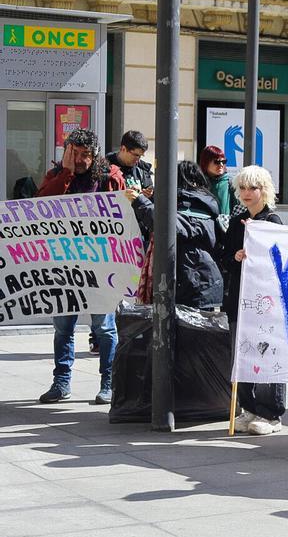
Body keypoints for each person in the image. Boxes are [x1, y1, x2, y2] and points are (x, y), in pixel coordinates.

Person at [36, 129, 125, 405]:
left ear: (94, 154)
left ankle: (108, 382)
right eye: (75, 153)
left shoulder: (110, 176)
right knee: (63, 327)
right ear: (66, 152)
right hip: (63, 266)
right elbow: (39, 204)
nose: (81, 160)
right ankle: (61, 382)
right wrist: (65, 173)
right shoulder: (57, 176)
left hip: (101, 266)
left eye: (86, 155)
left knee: (105, 328)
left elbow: (122, 216)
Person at [220, 165, 287, 435]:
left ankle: (271, 413)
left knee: (269, 355)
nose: (247, 193)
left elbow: (280, 262)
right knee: (244, 353)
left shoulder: (273, 222)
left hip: (267, 302)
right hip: (241, 297)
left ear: (264, 190)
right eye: (243, 188)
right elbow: (223, 256)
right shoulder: (238, 223)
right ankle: (249, 407)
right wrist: (236, 256)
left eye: (253, 188)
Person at [131, 161, 225, 309]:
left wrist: (140, 201)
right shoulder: (206, 204)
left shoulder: (193, 205)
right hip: (201, 282)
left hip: (192, 282)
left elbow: (168, 225)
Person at [199, 145, 235, 217]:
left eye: (223, 161)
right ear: (206, 163)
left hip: (225, 226)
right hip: (204, 225)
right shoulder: (198, 183)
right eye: (217, 162)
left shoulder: (231, 182)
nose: (221, 165)